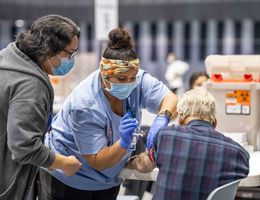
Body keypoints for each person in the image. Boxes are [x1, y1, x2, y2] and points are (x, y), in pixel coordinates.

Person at [38, 27, 178, 200]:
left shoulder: (136, 78)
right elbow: (98, 161)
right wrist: (124, 143)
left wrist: (162, 117)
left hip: (109, 179)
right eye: (121, 79)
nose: (128, 83)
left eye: (132, 78)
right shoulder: (85, 104)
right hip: (69, 177)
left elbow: (171, 100)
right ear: (104, 74)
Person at [0, 15, 82, 200]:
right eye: (69, 53)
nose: (71, 59)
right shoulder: (30, 86)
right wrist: (62, 162)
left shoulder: (7, 61)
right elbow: (23, 147)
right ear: (49, 49)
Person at [130, 88, 250, 200]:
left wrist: (129, 161)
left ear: (181, 117)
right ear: (214, 120)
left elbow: (144, 166)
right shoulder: (239, 154)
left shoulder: (166, 136)